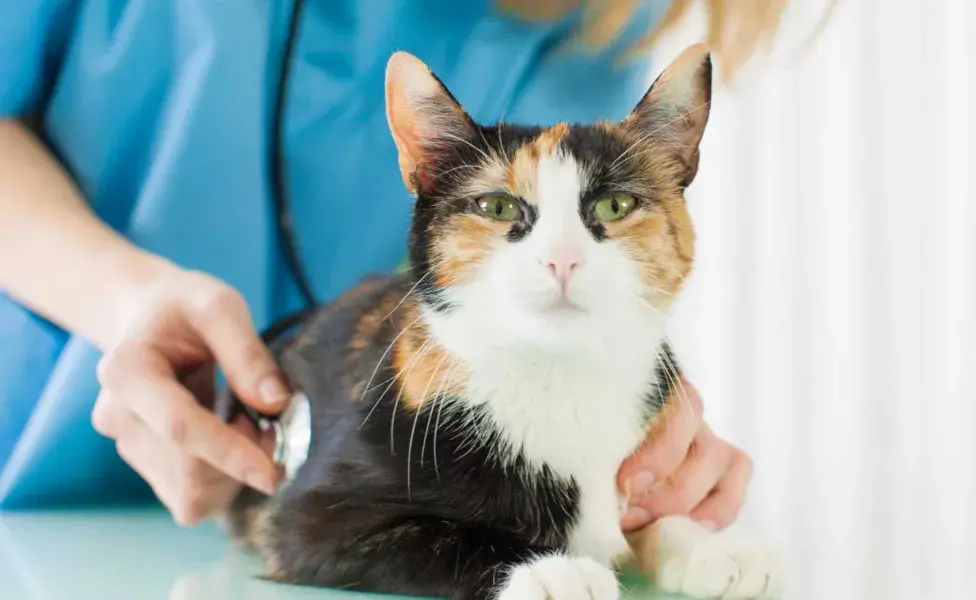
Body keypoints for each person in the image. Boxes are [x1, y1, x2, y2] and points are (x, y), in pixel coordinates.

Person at [0, 0, 783, 531]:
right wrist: (125, 299)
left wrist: (624, 413)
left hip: (384, 510)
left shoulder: (608, 21)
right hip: (40, 498)